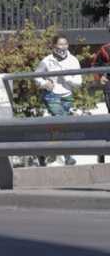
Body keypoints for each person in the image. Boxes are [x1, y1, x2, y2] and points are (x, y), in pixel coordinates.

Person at [34, 34, 81, 166]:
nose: (63, 47)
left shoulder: (73, 60)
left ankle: (43, 152)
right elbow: (36, 76)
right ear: (54, 46)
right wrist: (44, 84)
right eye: (60, 44)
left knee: (60, 126)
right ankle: (68, 157)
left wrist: (68, 79)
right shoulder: (47, 60)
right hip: (51, 94)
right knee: (61, 121)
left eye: (65, 44)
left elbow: (79, 82)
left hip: (67, 95)